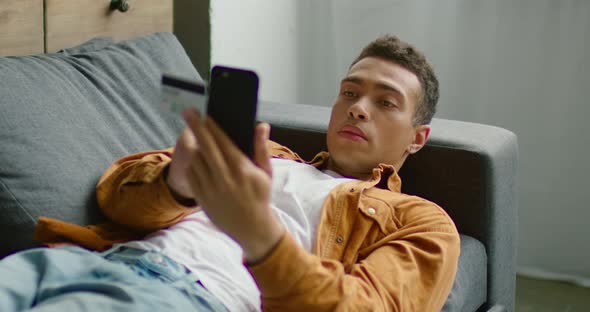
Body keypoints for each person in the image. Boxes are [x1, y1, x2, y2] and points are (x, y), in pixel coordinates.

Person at [0, 35, 459, 311]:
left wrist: (261, 237)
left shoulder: (420, 221)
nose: (358, 108)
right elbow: (114, 194)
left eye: (385, 102)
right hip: (82, 260)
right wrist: (176, 185)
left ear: (417, 137)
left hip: (191, 295)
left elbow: (368, 306)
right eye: (349, 92)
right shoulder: (267, 152)